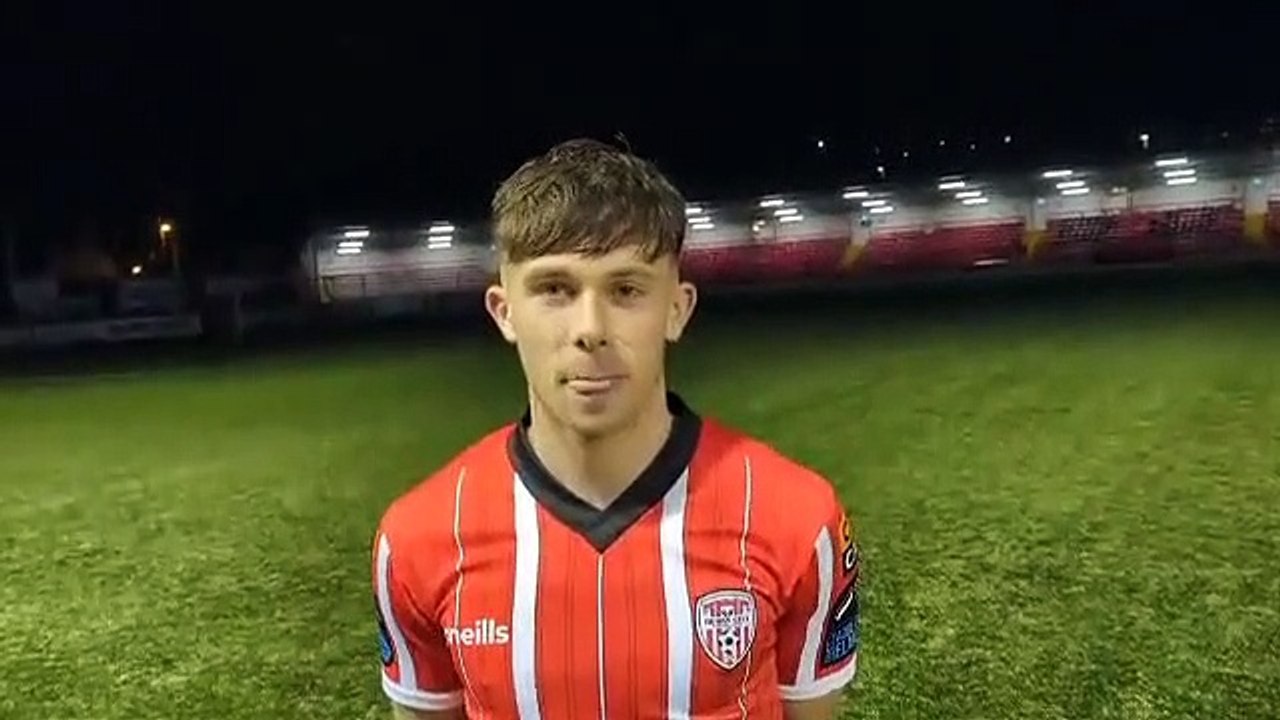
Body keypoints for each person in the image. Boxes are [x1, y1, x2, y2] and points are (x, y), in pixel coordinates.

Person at [371, 139, 862, 719]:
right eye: (555, 289)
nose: (590, 328)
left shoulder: (795, 517)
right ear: (505, 312)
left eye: (626, 290)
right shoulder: (421, 538)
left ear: (676, 308)